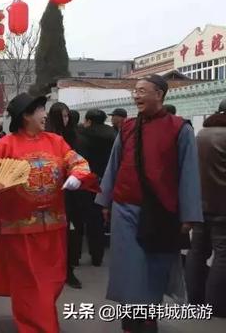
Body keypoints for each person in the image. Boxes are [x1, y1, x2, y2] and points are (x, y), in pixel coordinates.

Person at [0, 93, 95, 333]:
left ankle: (42, 319)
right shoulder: (4, 145)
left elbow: (79, 163)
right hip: (20, 229)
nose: (45, 115)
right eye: (41, 110)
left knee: (52, 281)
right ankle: (39, 327)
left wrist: (76, 176)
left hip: (54, 226)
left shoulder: (56, 141)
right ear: (26, 116)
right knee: (30, 283)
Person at [95, 75, 203, 333]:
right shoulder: (128, 128)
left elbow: (189, 173)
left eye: (142, 91)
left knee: (156, 265)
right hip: (125, 207)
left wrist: (188, 216)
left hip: (162, 210)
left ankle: (148, 313)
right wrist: (105, 201)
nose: (136, 96)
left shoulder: (180, 129)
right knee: (129, 265)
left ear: (160, 94)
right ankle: (132, 318)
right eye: (135, 91)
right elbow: (114, 165)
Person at [185, 98, 226, 317]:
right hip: (222, 206)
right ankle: (216, 304)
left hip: (199, 203)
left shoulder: (202, 134)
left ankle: (195, 300)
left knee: (197, 250)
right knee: (223, 254)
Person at [46, 102, 83, 289]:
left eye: (67, 116)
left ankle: (68, 269)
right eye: (62, 116)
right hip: (49, 192)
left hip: (71, 191)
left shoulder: (74, 137)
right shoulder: (46, 138)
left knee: (70, 231)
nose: (65, 120)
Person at [76, 109, 116, 266]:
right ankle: (98, 256)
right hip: (107, 180)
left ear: (89, 120)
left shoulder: (83, 135)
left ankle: (78, 254)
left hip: (87, 181)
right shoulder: (113, 134)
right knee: (100, 218)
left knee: (84, 219)